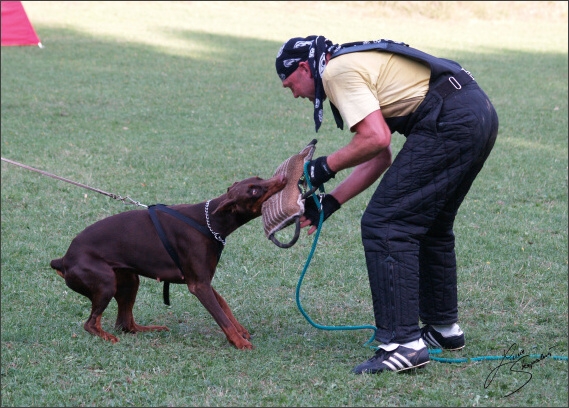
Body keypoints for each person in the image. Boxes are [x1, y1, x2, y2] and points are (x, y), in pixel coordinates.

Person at [275, 35, 499, 374]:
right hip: (476, 111)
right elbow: (379, 154)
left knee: (387, 225)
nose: (293, 93)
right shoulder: (347, 63)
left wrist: (323, 167)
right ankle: (443, 329)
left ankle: (403, 344)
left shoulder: (336, 71)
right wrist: (331, 201)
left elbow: (375, 138)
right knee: (431, 225)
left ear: (304, 68)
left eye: (290, 83)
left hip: (450, 119)